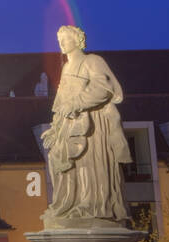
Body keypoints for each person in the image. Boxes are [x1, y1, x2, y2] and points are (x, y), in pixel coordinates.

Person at [40, 25, 132, 228]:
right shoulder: (66, 68)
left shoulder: (92, 61)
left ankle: (93, 206)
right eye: (59, 40)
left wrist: (76, 103)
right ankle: (68, 204)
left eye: (66, 39)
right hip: (68, 125)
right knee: (58, 158)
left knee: (89, 165)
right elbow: (61, 102)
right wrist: (55, 128)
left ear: (78, 40)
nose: (62, 43)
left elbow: (103, 88)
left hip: (92, 126)